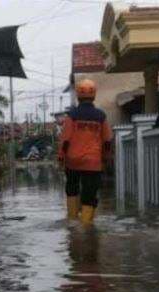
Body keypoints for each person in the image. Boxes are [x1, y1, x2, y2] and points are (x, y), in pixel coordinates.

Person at [58, 79, 113, 228]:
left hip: (72, 161)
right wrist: (106, 159)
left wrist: (60, 158)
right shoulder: (101, 116)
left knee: (72, 188)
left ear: (78, 95)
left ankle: (72, 221)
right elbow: (107, 141)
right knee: (89, 194)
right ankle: (86, 227)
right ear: (94, 95)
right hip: (93, 162)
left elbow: (65, 139)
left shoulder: (72, 115)